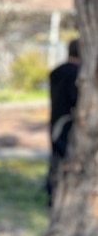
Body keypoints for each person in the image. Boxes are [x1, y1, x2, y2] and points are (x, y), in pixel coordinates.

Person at [47, 38, 80, 204]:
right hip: (69, 123)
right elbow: (75, 98)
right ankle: (59, 196)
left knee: (56, 158)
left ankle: (51, 192)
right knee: (67, 160)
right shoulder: (76, 73)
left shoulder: (56, 71)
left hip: (56, 121)